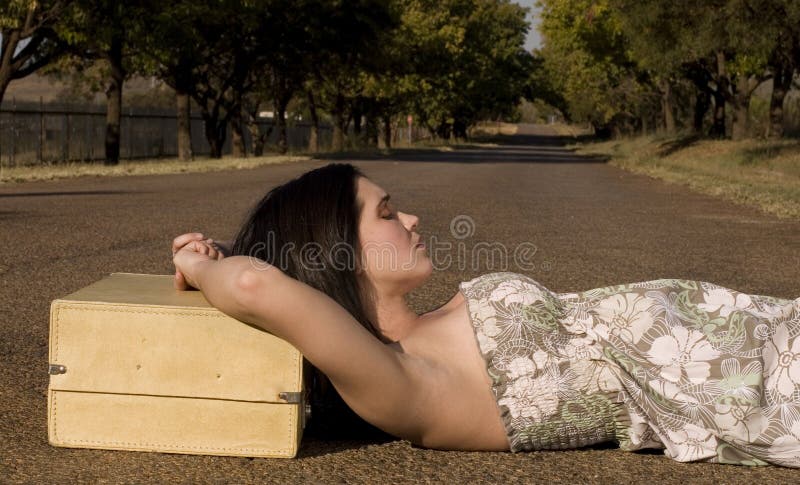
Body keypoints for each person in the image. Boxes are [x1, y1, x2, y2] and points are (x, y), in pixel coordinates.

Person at [172, 163, 800, 467]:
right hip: (749, 388)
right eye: (387, 213)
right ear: (333, 248)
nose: (411, 219)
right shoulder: (401, 381)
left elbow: (260, 271)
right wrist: (201, 267)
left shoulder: (435, 324)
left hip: (764, 331)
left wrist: (227, 249)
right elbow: (257, 285)